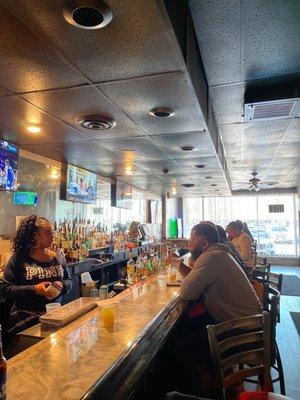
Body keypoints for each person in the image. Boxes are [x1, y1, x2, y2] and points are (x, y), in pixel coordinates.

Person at [165, 223, 261, 396]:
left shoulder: (211, 257)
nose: (189, 245)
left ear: (204, 244)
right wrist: (179, 264)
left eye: (192, 241)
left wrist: (183, 268)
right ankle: (220, 377)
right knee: (186, 326)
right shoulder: (218, 254)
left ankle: (200, 395)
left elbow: (187, 292)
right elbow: (197, 281)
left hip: (243, 332)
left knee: (182, 348)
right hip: (247, 323)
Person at [0, 215, 73, 338]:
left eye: (53, 232)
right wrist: (35, 290)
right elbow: (4, 289)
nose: (53, 236)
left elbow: (69, 280)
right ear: (34, 236)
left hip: (54, 317)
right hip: (25, 319)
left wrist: (62, 285)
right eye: (48, 233)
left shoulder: (58, 257)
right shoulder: (18, 259)